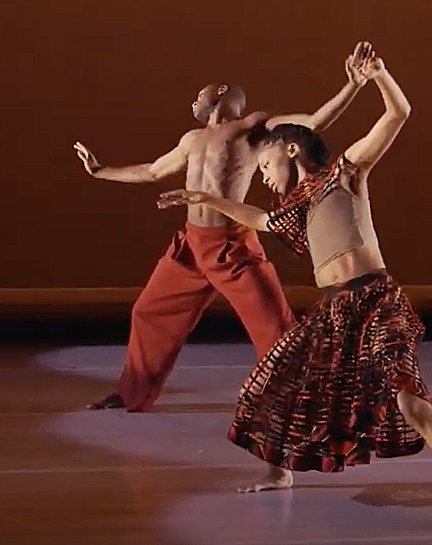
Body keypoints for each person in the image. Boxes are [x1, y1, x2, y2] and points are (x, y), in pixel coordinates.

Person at [157, 44, 432, 529]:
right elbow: (259, 217)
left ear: (291, 149)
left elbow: (398, 113)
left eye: (264, 165)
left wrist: (380, 76)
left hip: (376, 301)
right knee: (273, 383)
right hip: (334, 311)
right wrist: (203, 197)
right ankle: (279, 474)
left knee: (408, 401)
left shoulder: (345, 174)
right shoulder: (295, 207)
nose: (262, 173)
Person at [72, 43, 371, 412]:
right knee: (148, 312)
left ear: (220, 93)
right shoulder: (191, 140)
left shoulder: (253, 127)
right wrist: (101, 171)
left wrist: (353, 86)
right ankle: (130, 393)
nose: (192, 103)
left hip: (232, 245)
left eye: (198, 96)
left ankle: (309, 397)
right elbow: (152, 170)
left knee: (274, 326)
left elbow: (312, 123)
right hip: (190, 245)